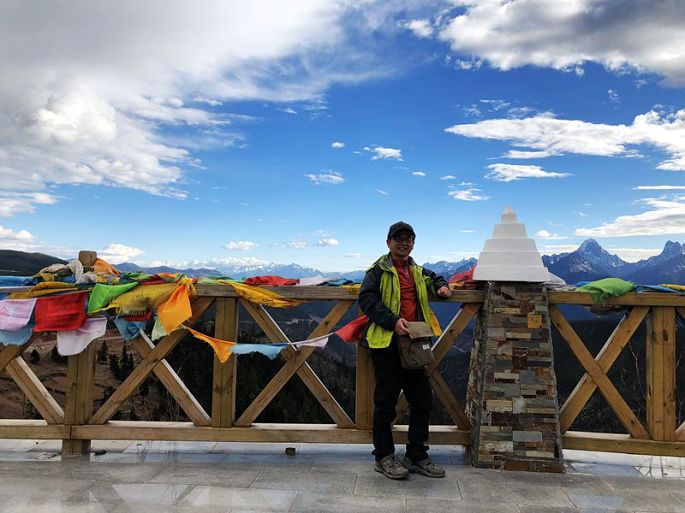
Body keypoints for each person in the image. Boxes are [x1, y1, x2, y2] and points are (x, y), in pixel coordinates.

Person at [358, 221, 452, 480]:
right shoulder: (377, 271)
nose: (404, 242)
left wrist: (442, 286)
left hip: (414, 343)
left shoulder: (418, 271)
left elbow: (435, 278)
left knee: (422, 400)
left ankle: (416, 455)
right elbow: (367, 299)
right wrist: (393, 321)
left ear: (413, 243)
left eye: (408, 238)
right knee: (385, 403)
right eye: (398, 238)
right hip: (386, 343)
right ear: (388, 242)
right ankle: (384, 457)